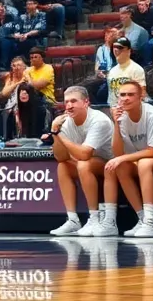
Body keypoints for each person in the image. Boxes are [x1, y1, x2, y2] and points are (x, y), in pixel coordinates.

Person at [95, 80, 153, 237]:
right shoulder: (122, 116)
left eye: (130, 94)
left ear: (141, 97)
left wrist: (123, 158)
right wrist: (116, 123)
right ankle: (137, 219)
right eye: (122, 95)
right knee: (116, 167)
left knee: (143, 163)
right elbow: (118, 152)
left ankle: (151, 221)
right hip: (141, 160)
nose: (126, 98)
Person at [46, 86, 113, 236]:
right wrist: (55, 132)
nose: (69, 106)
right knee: (63, 166)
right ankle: (72, 220)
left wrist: (58, 134)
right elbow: (60, 157)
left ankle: (94, 219)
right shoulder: (66, 122)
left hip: (111, 165)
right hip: (90, 164)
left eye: (74, 101)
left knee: (83, 164)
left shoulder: (99, 120)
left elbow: (84, 155)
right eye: (67, 102)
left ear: (86, 102)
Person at [105, 37, 145, 109]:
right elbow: (111, 98)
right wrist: (113, 110)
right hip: (117, 109)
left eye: (120, 47)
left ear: (128, 51)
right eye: (114, 47)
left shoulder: (137, 69)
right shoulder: (112, 71)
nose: (116, 50)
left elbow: (142, 94)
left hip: (132, 109)